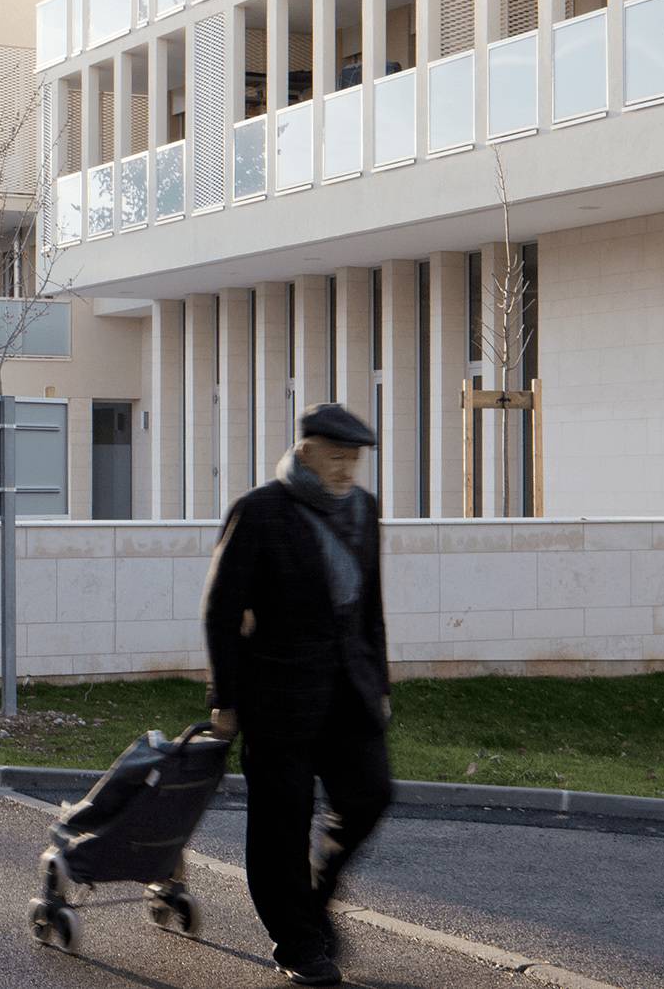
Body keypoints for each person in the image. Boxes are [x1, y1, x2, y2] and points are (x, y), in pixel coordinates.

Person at [202, 403, 393, 987]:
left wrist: (380, 682)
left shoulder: (363, 509)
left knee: (369, 795)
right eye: (336, 457)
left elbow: (371, 607)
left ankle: (316, 891)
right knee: (280, 824)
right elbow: (222, 610)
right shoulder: (260, 511)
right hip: (277, 697)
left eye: (354, 459)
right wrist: (226, 698)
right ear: (306, 449)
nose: (346, 470)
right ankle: (297, 943)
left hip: (349, 691)